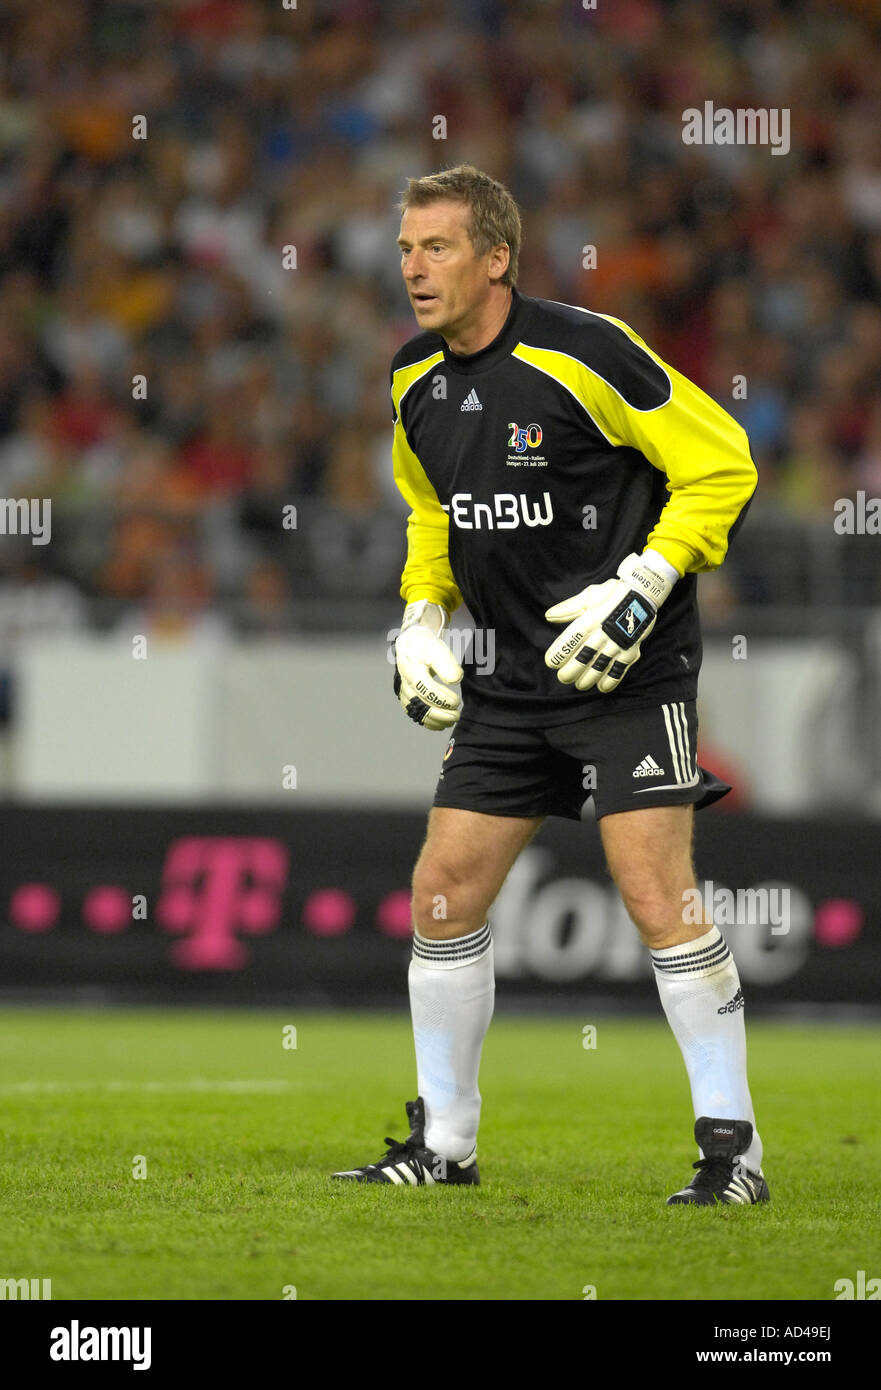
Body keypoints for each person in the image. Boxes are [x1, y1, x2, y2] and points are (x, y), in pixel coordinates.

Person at [333, 165, 767, 1205]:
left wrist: (643, 583)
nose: (411, 268)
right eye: (402, 248)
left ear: (495, 258)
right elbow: (432, 514)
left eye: (435, 247)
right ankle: (443, 1143)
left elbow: (723, 462)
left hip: (626, 666)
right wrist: (420, 615)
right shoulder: (410, 383)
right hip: (512, 679)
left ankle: (732, 1154)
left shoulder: (586, 350)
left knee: (656, 896)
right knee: (441, 891)